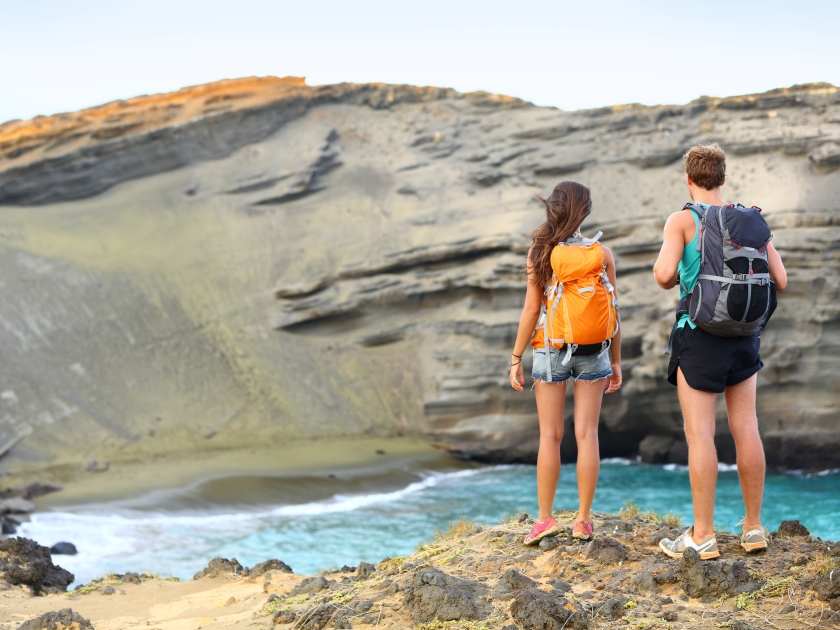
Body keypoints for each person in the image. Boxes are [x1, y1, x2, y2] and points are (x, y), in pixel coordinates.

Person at [653, 143, 787, 559]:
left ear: (689, 179)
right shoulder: (748, 219)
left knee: (701, 436)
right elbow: (780, 279)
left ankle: (704, 535)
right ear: (723, 178)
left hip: (700, 336)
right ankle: (753, 528)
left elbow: (662, 276)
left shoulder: (683, 219)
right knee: (746, 426)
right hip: (745, 337)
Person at [509, 180, 622, 545]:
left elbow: (530, 310)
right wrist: (615, 361)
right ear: (585, 211)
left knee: (550, 435)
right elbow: (614, 311)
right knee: (587, 434)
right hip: (593, 351)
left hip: (550, 348)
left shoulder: (540, 252)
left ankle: (545, 519)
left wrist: (516, 357)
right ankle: (583, 521)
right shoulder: (601, 254)